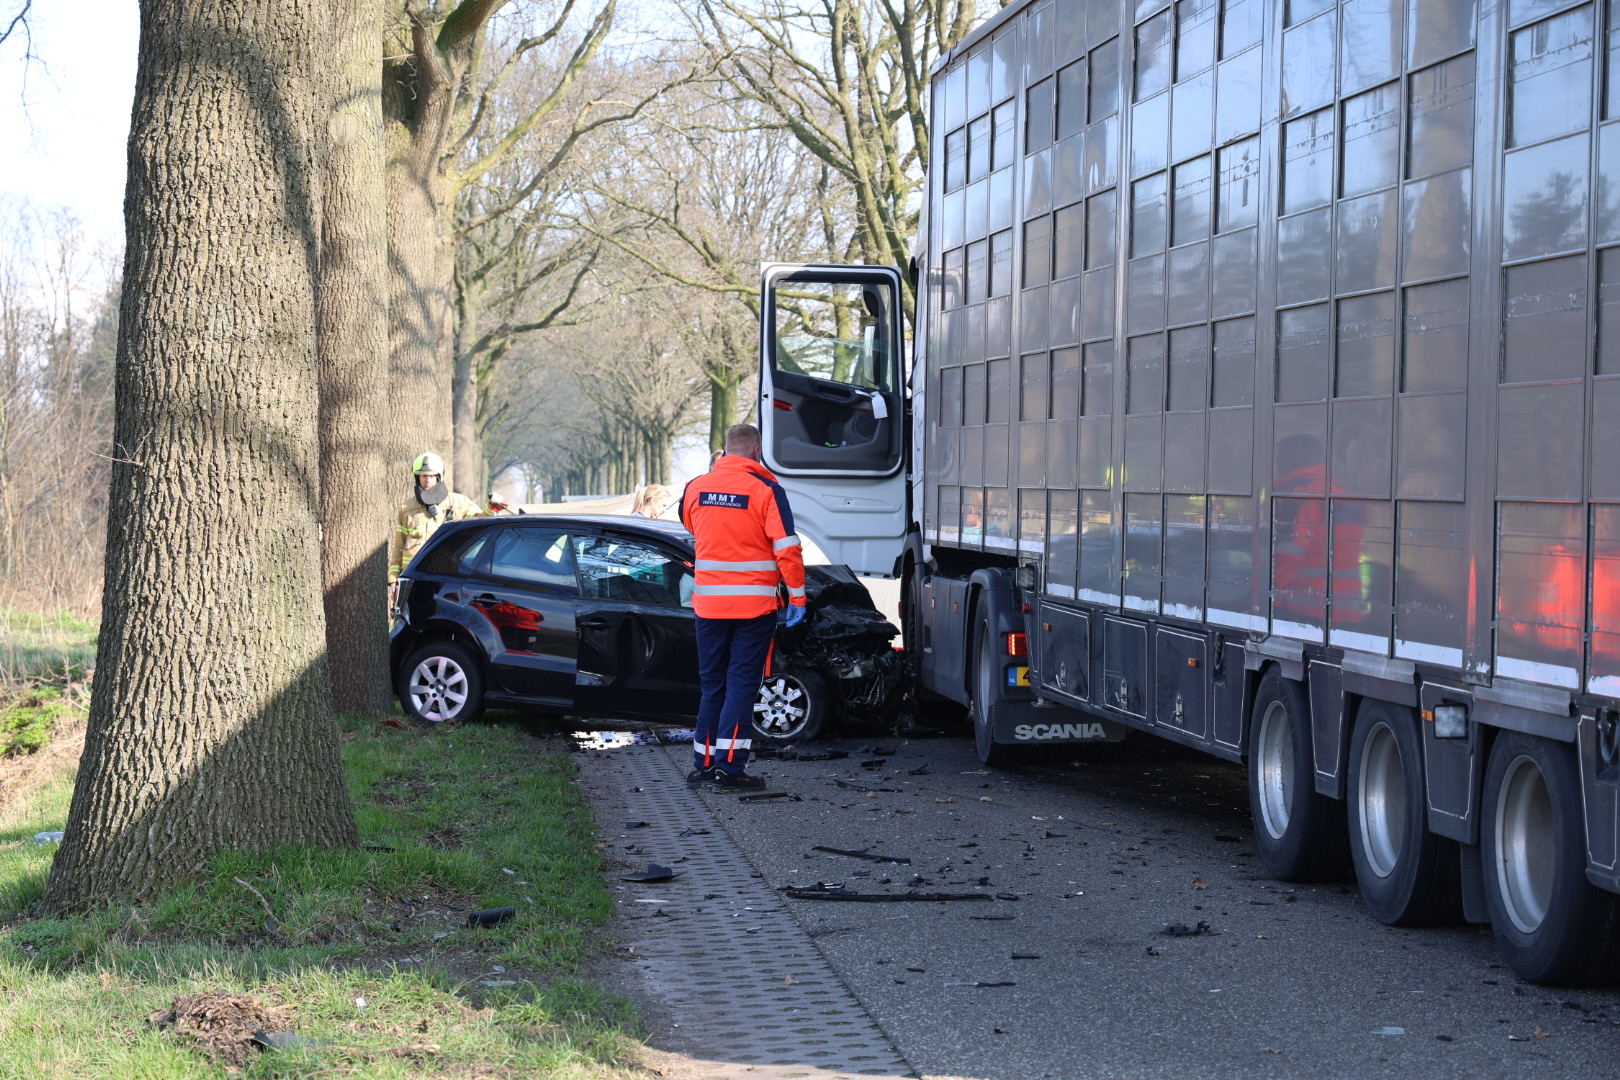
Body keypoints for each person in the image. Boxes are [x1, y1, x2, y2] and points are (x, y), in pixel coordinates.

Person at [679, 424, 806, 791]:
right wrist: (797, 597)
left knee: (712, 685)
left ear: (725, 450)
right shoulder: (766, 490)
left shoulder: (695, 488)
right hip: (753, 607)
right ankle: (730, 770)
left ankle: (703, 766)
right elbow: (787, 549)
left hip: (708, 606)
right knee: (741, 685)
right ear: (755, 451)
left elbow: (692, 527)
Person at [388, 452, 484, 587]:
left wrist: (491, 509)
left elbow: (482, 522)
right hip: (412, 579)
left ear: (439, 477)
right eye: (423, 475)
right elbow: (399, 546)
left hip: (445, 578)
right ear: (417, 477)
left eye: (432, 476)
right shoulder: (407, 508)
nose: (427, 480)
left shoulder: (457, 503)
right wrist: (393, 580)